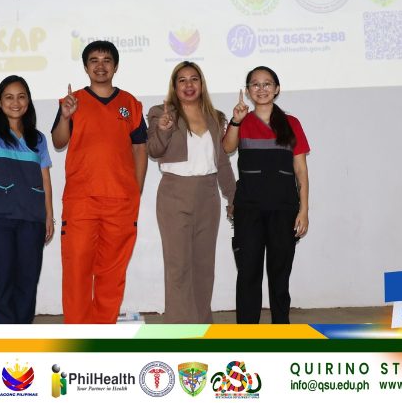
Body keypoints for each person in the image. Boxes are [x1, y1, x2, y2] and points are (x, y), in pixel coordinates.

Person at [52, 40, 148, 324]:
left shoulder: (130, 104)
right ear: (86, 67)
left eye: (107, 60)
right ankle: (78, 333)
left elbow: (140, 148)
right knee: (77, 271)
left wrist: (136, 190)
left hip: (120, 202)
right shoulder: (72, 101)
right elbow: (58, 141)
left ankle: (103, 331)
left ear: (115, 66)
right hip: (81, 201)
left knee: (112, 273)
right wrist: (65, 117)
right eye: (94, 60)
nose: (100, 65)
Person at [147, 61, 236, 323]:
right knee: (178, 267)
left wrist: (233, 196)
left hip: (208, 195)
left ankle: (202, 325)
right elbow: (154, 150)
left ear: (201, 84)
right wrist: (163, 130)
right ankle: (179, 329)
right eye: (182, 80)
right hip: (174, 194)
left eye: (194, 79)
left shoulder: (215, 117)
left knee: (204, 267)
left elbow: (221, 161)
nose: (188, 85)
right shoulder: (160, 113)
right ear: (174, 86)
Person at [222, 66, 310, 324]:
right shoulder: (242, 121)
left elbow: (301, 171)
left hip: (284, 209)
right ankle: (248, 333)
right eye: (255, 84)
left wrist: (304, 210)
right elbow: (227, 147)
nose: (261, 89)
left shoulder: (291, 123)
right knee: (248, 274)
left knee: (280, 276)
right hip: (248, 209)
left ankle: (280, 330)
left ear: (277, 89)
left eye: (267, 83)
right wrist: (235, 120)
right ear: (248, 91)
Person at [0, 75, 55, 324]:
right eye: (9, 97)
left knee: (27, 280)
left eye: (21, 97)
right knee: (1, 279)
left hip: (32, 218)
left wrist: (49, 216)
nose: (15, 102)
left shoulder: (38, 138)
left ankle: (22, 333)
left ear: (28, 101)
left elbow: (45, 178)